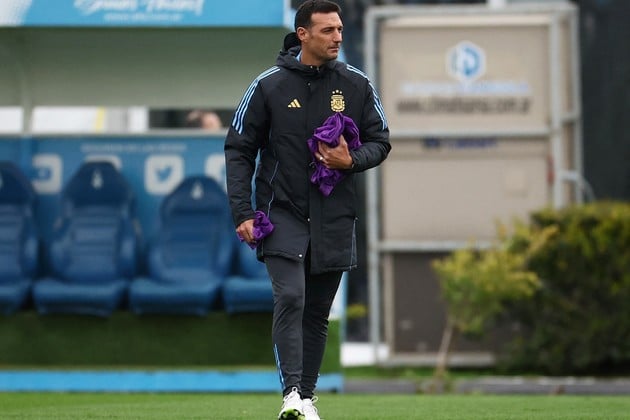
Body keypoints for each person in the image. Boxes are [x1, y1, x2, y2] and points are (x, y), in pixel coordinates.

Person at [224, 1, 390, 419]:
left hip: (335, 217)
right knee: (291, 297)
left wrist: (351, 160)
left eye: (340, 29)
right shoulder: (268, 85)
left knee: (316, 313)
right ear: (303, 34)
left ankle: (307, 400)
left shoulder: (356, 84)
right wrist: (242, 212)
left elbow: (381, 141)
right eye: (328, 30)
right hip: (280, 214)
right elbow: (239, 149)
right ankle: (292, 394)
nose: (338, 37)